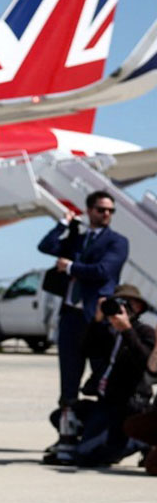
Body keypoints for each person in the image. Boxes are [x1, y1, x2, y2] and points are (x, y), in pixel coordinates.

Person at [38, 191, 128, 416]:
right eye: (101, 209)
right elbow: (46, 247)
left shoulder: (117, 242)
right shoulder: (77, 239)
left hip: (98, 320)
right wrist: (63, 224)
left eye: (110, 210)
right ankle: (66, 435)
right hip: (71, 317)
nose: (106, 214)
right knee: (68, 381)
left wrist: (69, 267)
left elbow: (103, 271)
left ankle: (97, 437)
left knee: (100, 380)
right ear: (89, 211)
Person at [43, 285, 153, 468]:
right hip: (105, 403)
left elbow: (145, 363)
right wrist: (97, 320)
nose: (121, 309)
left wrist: (127, 330)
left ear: (138, 308)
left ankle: (138, 442)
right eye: (117, 303)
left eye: (127, 304)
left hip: (129, 406)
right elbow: (86, 349)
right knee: (62, 417)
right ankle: (101, 441)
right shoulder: (109, 333)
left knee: (85, 456)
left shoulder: (144, 332)